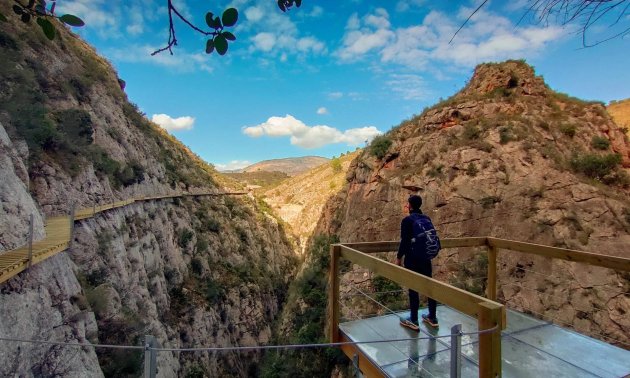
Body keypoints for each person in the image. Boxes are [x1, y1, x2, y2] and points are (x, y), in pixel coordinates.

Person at [396, 194, 439, 331]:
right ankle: (432, 317)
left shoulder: (407, 221)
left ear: (411, 206)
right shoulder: (426, 218)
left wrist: (398, 257)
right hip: (426, 257)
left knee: (413, 288)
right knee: (429, 286)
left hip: (412, 258)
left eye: (407, 204)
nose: (406, 206)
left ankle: (413, 319)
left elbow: (404, 242)